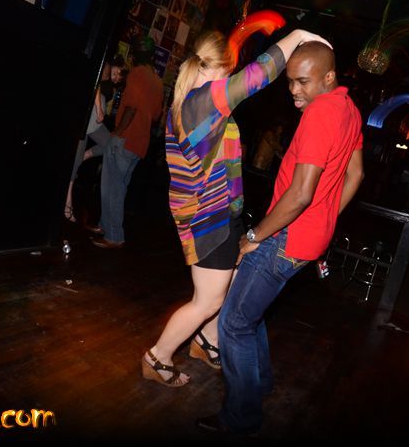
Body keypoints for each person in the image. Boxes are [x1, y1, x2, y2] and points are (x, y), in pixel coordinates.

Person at [140, 29, 330, 387]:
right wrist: (297, 36)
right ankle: (157, 357)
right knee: (207, 302)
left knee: (228, 287)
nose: (230, 79)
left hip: (220, 213)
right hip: (207, 218)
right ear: (220, 69)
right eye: (229, 73)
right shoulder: (204, 100)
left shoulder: (194, 102)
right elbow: (258, 74)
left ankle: (206, 341)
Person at [197, 41, 363, 435]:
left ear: (329, 76)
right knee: (248, 312)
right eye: (289, 82)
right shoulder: (349, 109)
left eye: (303, 82)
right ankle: (261, 382)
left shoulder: (321, 112)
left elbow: (301, 194)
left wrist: (255, 234)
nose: (294, 91)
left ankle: (241, 418)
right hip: (308, 237)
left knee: (233, 324)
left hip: (285, 237)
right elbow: (355, 175)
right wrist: (325, 218)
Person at [89, 37, 163, 249]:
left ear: (137, 54)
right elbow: (156, 115)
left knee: (112, 188)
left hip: (125, 139)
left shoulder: (137, 74)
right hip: (141, 144)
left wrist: (117, 133)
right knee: (118, 187)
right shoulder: (157, 82)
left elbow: (131, 108)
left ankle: (114, 236)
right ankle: (105, 226)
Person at [65, 55, 126, 221]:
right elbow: (95, 83)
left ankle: (85, 155)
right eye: (116, 73)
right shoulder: (105, 66)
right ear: (114, 65)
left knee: (111, 145)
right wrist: (100, 109)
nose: (115, 77)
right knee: (75, 165)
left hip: (95, 124)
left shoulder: (110, 83)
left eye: (118, 77)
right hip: (89, 120)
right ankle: (67, 203)